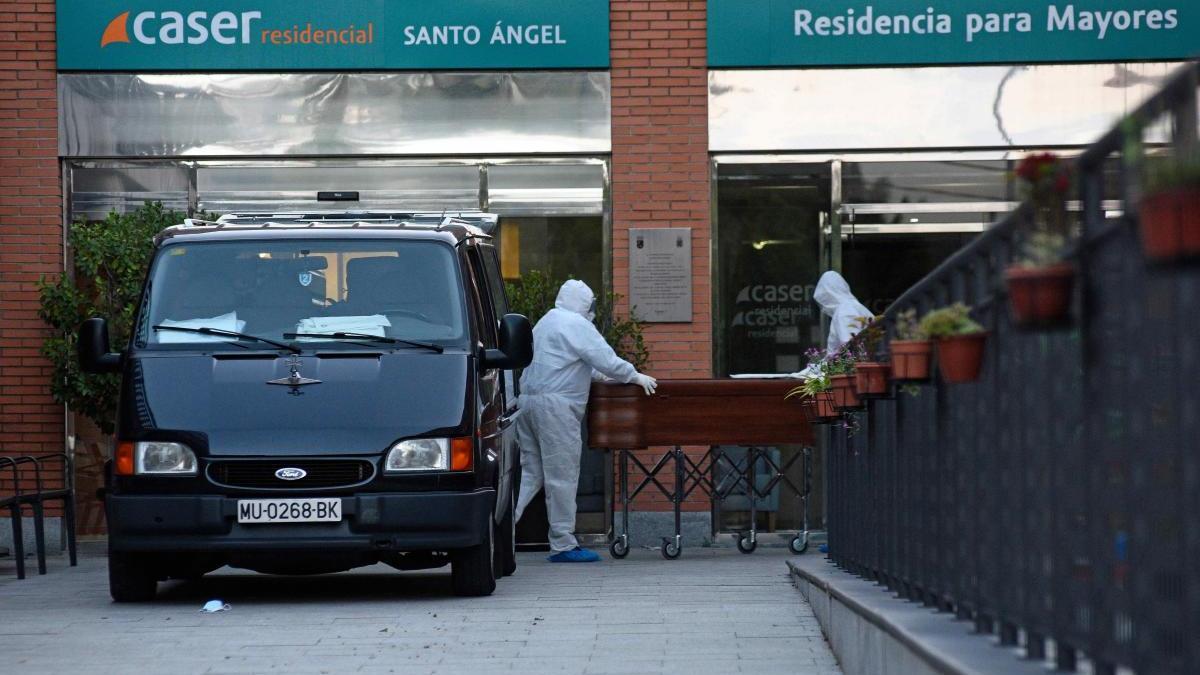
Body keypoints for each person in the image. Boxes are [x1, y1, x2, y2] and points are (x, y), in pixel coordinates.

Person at [514, 280, 657, 563]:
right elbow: (605, 359)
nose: (591, 310)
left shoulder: (546, 322)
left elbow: (571, 364)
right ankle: (563, 544)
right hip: (556, 409)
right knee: (562, 477)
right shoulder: (576, 325)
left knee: (530, 474)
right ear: (583, 302)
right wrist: (634, 376)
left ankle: (499, 529)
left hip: (527, 404)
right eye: (590, 304)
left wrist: (606, 375)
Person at [813, 270, 872, 357]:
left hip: (844, 368)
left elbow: (849, 349)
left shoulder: (844, 310)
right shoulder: (854, 306)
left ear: (828, 294)